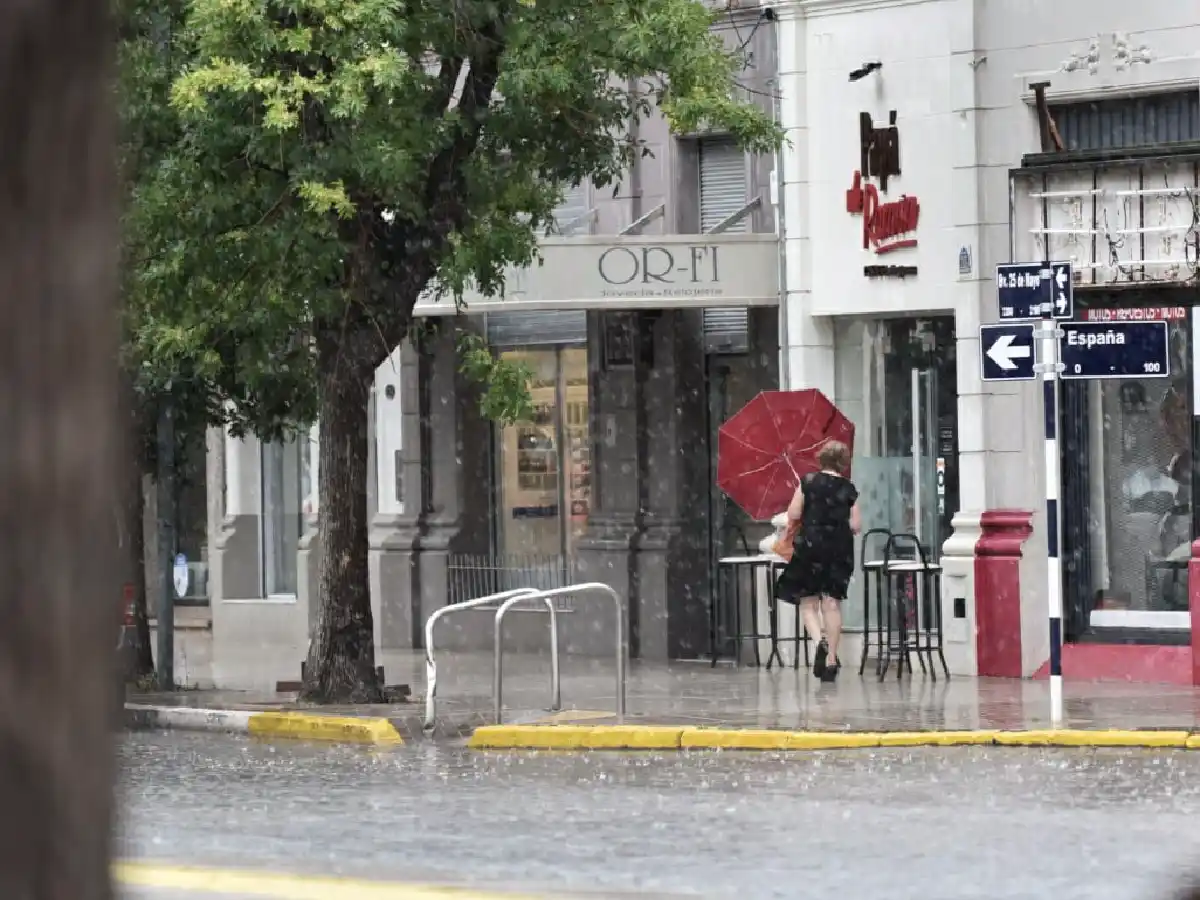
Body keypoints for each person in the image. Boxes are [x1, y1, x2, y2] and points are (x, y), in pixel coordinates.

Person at [774, 440, 861, 683]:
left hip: (811, 545)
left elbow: (793, 514)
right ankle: (832, 659)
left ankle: (818, 642)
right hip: (839, 548)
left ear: (821, 459)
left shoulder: (808, 482)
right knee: (832, 603)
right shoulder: (848, 488)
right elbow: (856, 525)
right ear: (842, 463)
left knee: (808, 601)